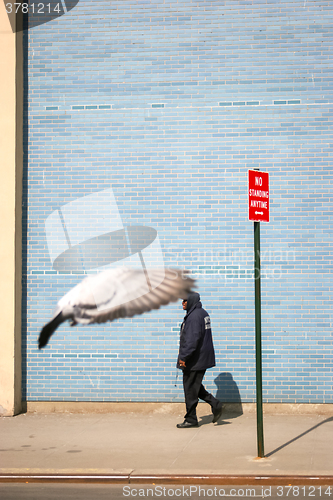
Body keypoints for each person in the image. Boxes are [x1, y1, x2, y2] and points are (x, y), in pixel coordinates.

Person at [176, 292, 223, 428]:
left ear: (191, 300)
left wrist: (184, 357)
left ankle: (191, 419)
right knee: (195, 386)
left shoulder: (194, 317)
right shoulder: (202, 313)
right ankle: (215, 404)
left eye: (185, 300)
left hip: (195, 360)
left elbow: (192, 340)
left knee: (190, 389)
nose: (182, 303)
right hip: (200, 358)